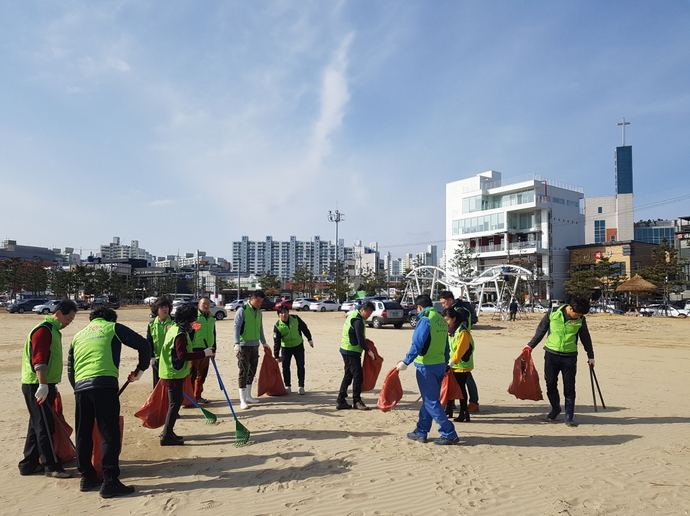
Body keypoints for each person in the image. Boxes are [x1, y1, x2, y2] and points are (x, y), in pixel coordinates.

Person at [68, 307, 150, 497]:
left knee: (83, 432)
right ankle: (110, 480)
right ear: (111, 318)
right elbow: (143, 345)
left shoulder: (79, 335)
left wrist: (78, 388)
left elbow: (71, 368)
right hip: (104, 384)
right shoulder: (112, 327)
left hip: (81, 387)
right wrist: (140, 369)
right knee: (109, 432)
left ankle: (87, 477)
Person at [19, 300, 77, 478]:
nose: (69, 322)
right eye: (69, 318)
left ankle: (28, 464)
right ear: (59, 313)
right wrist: (43, 385)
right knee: (44, 425)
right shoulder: (44, 330)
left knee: (36, 424)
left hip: (45, 384)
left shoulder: (53, 331)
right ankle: (50, 466)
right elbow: (39, 360)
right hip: (36, 384)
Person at [396, 295, 460, 445]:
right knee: (429, 400)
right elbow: (446, 346)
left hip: (426, 367)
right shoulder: (441, 319)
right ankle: (421, 431)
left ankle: (449, 432)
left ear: (419, 307)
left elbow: (417, 344)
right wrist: (445, 362)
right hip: (439, 365)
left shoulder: (425, 319)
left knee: (431, 401)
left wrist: (406, 361)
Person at [522, 297, 594, 427]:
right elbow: (541, 331)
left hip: (570, 356)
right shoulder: (553, 312)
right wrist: (529, 346)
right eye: (577, 314)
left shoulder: (581, 319)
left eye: (581, 315)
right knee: (550, 383)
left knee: (569, 386)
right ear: (570, 308)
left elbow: (585, 338)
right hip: (551, 354)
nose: (578, 317)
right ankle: (555, 408)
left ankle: (569, 416)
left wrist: (591, 356)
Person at [158, 303, 215, 446]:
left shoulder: (175, 329)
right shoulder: (180, 333)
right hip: (173, 372)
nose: (195, 320)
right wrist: (204, 353)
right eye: (193, 318)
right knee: (174, 404)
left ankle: (168, 432)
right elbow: (182, 355)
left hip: (171, 371)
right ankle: (166, 435)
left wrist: (194, 331)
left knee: (175, 403)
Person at [439, 291, 480, 413]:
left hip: (462, 358)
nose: (443, 305)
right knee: (455, 382)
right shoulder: (452, 325)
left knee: (466, 381)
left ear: (450, 300)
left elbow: (462, 344)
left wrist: (453, 360)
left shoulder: (459, 312)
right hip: (455, 357)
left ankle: (472, 403)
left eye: (444, 302)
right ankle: (451, 406)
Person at [234, 290, 270, 409]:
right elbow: (237, 328)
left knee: (252, 371)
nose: (260, 303)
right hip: (244, 346)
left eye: (261, 302)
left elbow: (260, 328)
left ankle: (249, 396)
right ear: (252, 299)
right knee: (243, 371)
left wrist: (264, 342)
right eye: (258, 301)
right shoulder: (242, 310)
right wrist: (236, 343)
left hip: (255, 345)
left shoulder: (259, 312)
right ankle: (242, 400)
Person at [337, 301, 376, 410]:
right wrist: (368, 350)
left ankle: (341, 400)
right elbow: (360, 339)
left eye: (371, 313)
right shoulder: (357, 320)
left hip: (346, 349)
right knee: (358, 376)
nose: (369, 315)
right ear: (362, 310)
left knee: (348, 375)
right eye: (368, 313)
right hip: (351, 350)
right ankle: (357, 401)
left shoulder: (354, 315)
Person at [442, 308, 474, 422]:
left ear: (454, 318)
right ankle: (449, 409)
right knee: (450, 386)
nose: (446, 322)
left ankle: (464, 413)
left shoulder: (462, 331)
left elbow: (461, 349)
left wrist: (452, 361)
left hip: (461, 365)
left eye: (447, 320)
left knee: (461, 389)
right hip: (452, 364)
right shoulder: (451, 331)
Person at [273, 305, 314, 394]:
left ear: (288, 313)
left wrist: (309, 339)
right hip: (286, 348)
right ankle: (287, 385)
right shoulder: (277, 326)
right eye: (282, 313)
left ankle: (301, 386)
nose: (284, 314)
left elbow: (304, 328)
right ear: (278, 315)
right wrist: (276, 356)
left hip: (298, 346)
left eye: (286, 312)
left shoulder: (295, 318)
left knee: (300, 365)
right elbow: (277, 342)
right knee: (285, 367)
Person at [188, 297, 216, 404]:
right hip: (195, 350)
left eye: (208, 303)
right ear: (199, 305)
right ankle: (189, 398)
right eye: (204, 303)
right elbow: (188, 333)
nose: (206, 305)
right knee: (192, 374)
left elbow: (214, 333)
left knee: (202, 375)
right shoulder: (194, 317)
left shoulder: (211, 317)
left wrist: (214, 349)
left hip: (208, 350)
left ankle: (198, 396)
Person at [146, 297, 173, 388]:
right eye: (162, 307)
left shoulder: (174, 323)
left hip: (171, 358)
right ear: (156, 310)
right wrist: (151, 356)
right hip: (157, 358)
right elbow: (149, 341)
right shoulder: (151, 324)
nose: (165, 309)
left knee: (170, 381)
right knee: (157, 382)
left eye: (166, 307)